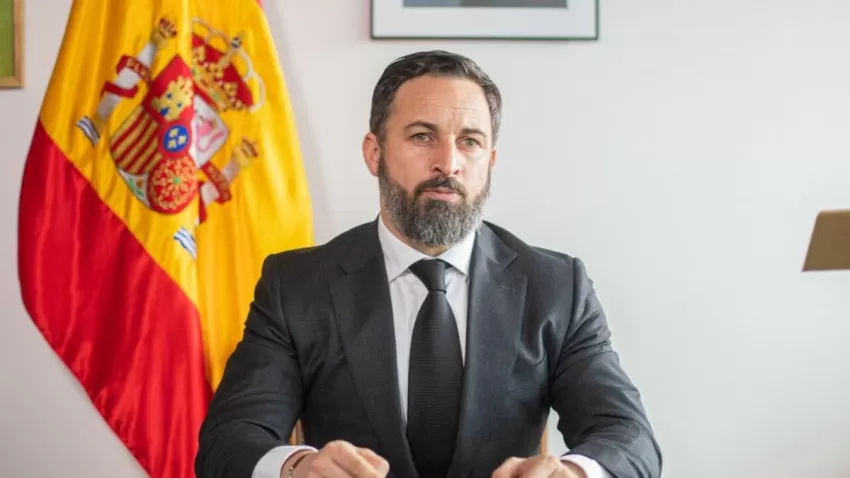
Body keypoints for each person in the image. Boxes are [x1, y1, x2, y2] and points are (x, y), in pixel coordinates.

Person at [195, 50, 662, 478]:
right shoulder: (296, 286)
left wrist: (575, 474)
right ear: (374, 153)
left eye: (470, 142)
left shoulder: (556, 286)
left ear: (490, 161)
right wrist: (296, 467)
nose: (448, 162)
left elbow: (629, 437)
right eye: (422, 136)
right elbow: (229, 439)